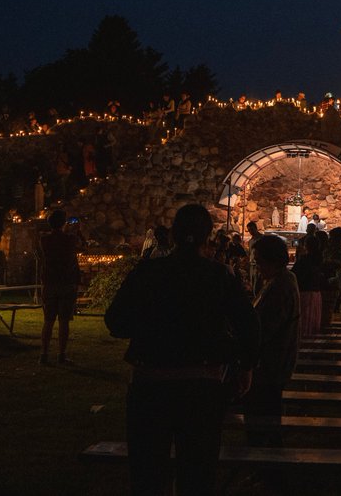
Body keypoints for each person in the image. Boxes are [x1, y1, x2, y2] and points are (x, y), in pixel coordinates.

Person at [104, 204, 259, 496]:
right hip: (201, 386)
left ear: (173, 235)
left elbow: (116, 321)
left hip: (151, 384)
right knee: (198, 472)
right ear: (207, 238)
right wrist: (245, 365)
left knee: (148, 471)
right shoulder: (219, 276)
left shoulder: (148, 272)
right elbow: (248, 325)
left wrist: (148, 328)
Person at [244, 234, 299, 447]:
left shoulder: (281, 285)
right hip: (271, 363)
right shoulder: (279, 281)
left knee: (263, 419)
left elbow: (267, 327)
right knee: (265, 417)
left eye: (259, 261)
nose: (257, 266)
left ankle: (266, 465)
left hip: (271, 364)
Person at [38, 210, 81, 366]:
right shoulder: (69, 239)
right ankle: (61, 354)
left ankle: (44, 354)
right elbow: (79, 244)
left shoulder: (44, 240)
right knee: (64, 321)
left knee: (48, 320)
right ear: (63, 223)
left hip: (49, 282)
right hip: (66, 282)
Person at [292, 234, 324, 337]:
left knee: (305, 318)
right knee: (313, 318)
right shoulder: (321, 258)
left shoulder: (304, 259)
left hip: (305, 292)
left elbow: (295, 273)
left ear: (306, 245)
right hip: (316, 292)